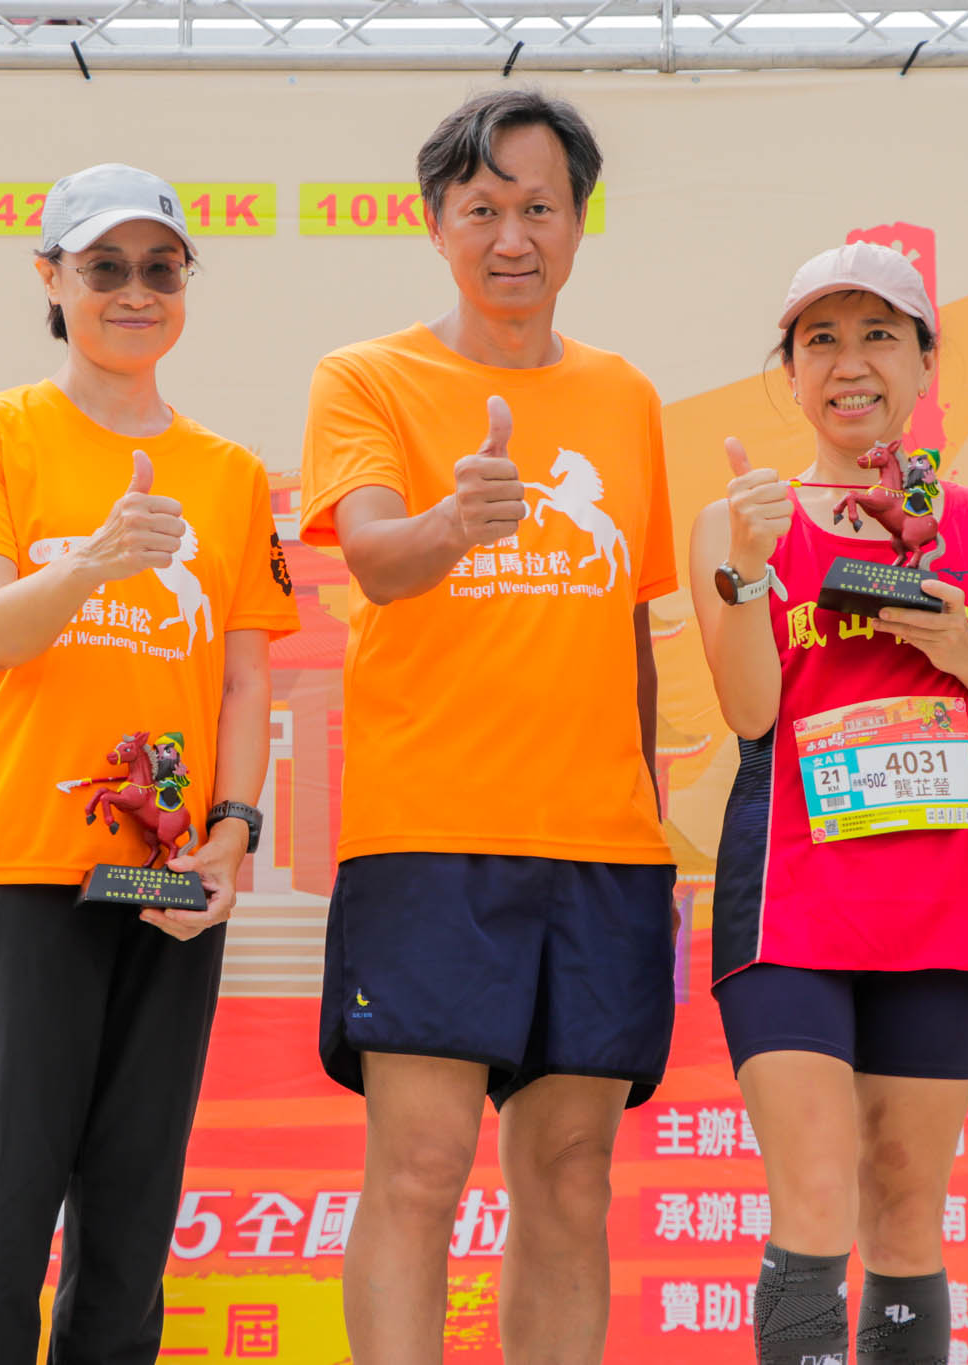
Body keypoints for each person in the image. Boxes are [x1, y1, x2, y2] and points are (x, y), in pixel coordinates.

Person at [299, 89, 678, 1364]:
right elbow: (372, 555)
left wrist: (646, 816)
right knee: (418, 1169)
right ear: (435, 224)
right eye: (481, 209)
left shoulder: (624, 395)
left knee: (570, 1178)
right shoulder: (366, 378)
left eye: (538, 208)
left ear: (577, 223)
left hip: (601, 847)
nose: (511, 237)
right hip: (431, 835)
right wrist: (457, 521)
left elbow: (628, 621)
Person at [0, 162, 299, 1365]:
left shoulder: (228, 474)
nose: (136, 292)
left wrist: (231, 833)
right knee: (4, 1208)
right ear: (51, 279)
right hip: (19, 867)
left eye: (160, 269)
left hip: (166, 883)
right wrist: (94, 560)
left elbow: (244, 681)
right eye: (104, 268)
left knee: (133, 1210)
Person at [688, 242, 968, 1365]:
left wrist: (963, 651)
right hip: (790, 908)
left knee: (905, 1209)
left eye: (877, 336)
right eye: (820, 340)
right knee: (815, 1196)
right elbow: (750, 714)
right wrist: (750, 566)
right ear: (790, 372)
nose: (848, 363)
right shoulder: (741, 521)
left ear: (923, 363)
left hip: (934, 911)